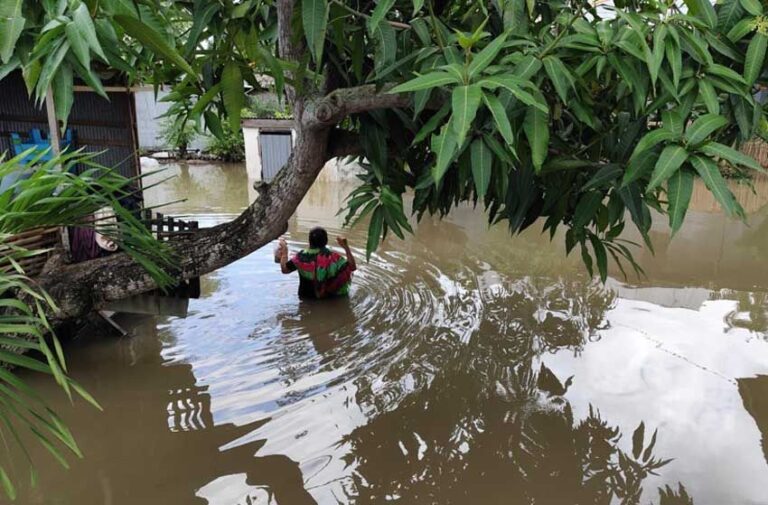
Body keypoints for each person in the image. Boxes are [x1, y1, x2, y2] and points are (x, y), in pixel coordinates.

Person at [276, 227, 357, 299]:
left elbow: (285, 269)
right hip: (329, 299)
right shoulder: (334, 257)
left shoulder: (301, 257)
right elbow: (352, 267)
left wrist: (284, 252)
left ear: (309, 241)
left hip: (306, 298)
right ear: (326, 241)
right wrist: (346, 247)